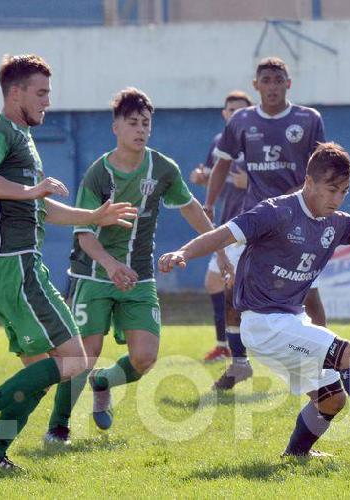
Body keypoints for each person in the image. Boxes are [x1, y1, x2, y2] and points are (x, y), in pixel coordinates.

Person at [159, 142, 350, 457]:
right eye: (331, 189)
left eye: (344, 191)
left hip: (290, 322)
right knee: (349, 354)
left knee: (331, 399)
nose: (337, 198)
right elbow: (223, 234)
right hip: (263, 322)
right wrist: (184, 251)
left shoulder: (338, 223)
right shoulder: (276, 211)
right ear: (310, 182)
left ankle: (296, 455)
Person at [0, 54, 138, 470]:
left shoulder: (21, 136)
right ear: (15, 92)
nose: (47, 102)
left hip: (9, 266)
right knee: (74, 361)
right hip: (14, 264)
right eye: (41, 93)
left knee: (43, 368)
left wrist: (93, 216)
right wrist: (33, 191)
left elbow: (41, 208)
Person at [43, 87, 233, 446]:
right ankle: (59, 427)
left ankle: (105, 382)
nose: (141, 129)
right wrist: (112, 265)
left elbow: (191, 207)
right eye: (132, 123)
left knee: (145, 357)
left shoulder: (162, 168)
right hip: (94, 273)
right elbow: (84, 234)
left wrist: (219, 249)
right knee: (83, 356)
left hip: (140, 275)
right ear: (115, 126)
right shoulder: (99, 174)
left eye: (146, 123)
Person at [203, 56, 329, 390]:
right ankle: (240, 363)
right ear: (255, 84)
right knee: (232, 288)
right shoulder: (242, 121)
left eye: (278, 79)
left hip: (298, 218)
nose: (272, 86)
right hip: (255, 222)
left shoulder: (308, 119)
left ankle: (325, 360)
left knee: (308, 292)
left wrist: (291, 200)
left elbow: (317, 172)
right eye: (266, 80)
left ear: (289, 83)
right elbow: (221, 165)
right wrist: (210, 203)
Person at [188, 90, 253, 363]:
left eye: (240, 110)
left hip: (248, 222)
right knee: (215, 282)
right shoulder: (220, 141)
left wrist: (248, 183)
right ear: (224, 114)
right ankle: (226, 345)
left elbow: (273, 179)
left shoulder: (257, 140)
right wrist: (201, 178)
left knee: (231, 286)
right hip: (226, 222)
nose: (235, 114)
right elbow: (215, 174)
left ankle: (239, 349)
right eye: (230, 110)